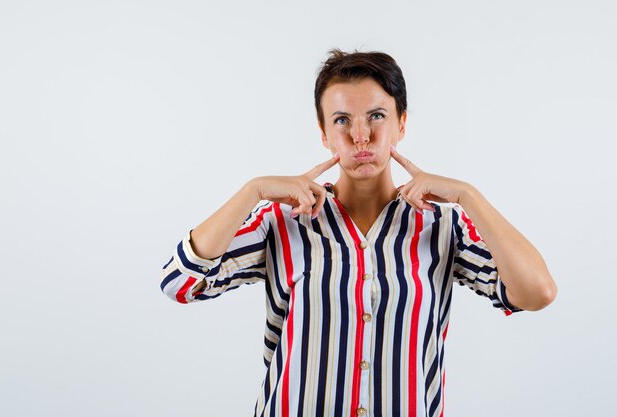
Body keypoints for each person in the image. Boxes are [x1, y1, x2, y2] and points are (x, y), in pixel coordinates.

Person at [159, 49, 557, 417]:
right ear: (324, 133)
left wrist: (470, 196)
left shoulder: (442, 226)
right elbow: (179, 282)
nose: (361, 136)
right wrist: (252, 190)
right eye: (342, 120)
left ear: (401, 123)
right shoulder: (281, 220)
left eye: (377, 116)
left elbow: (537, 293)